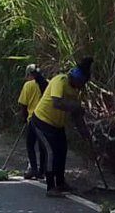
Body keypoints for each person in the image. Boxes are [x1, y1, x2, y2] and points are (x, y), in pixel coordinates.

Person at [30, 58, 92, 197]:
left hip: (57, 126)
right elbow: (57, 103)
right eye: (81, 82)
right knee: (51, 152)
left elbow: (76, 116)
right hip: (42, 122)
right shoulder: (60, 80)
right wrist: (75, 106)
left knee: (62, 151)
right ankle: (51, 187)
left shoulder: (75, 91)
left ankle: (61, 182)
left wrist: (84, 133)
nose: (81, 86)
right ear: (76, 78)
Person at [16, 63, 49, 180]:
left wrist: (24, 119)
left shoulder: (28, 85)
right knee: (42, 146)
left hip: (33, 119)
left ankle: (33, 168)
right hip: (46, 120)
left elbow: (23, 105)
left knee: (30, 145)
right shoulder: (47, 84)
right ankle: (42, 171)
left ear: (30, 74)